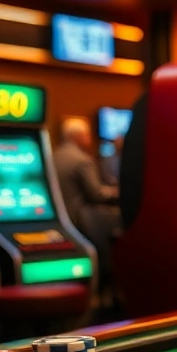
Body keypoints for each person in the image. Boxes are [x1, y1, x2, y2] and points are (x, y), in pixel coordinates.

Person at [53, 117, 121, 286]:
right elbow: (96, 194)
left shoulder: (54, 155)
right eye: (87, 134)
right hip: (80, 221)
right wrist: (118, 192)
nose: (90, 138)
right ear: (78, 136)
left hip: (58, 221)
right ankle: (105, 285)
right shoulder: (82, 160)